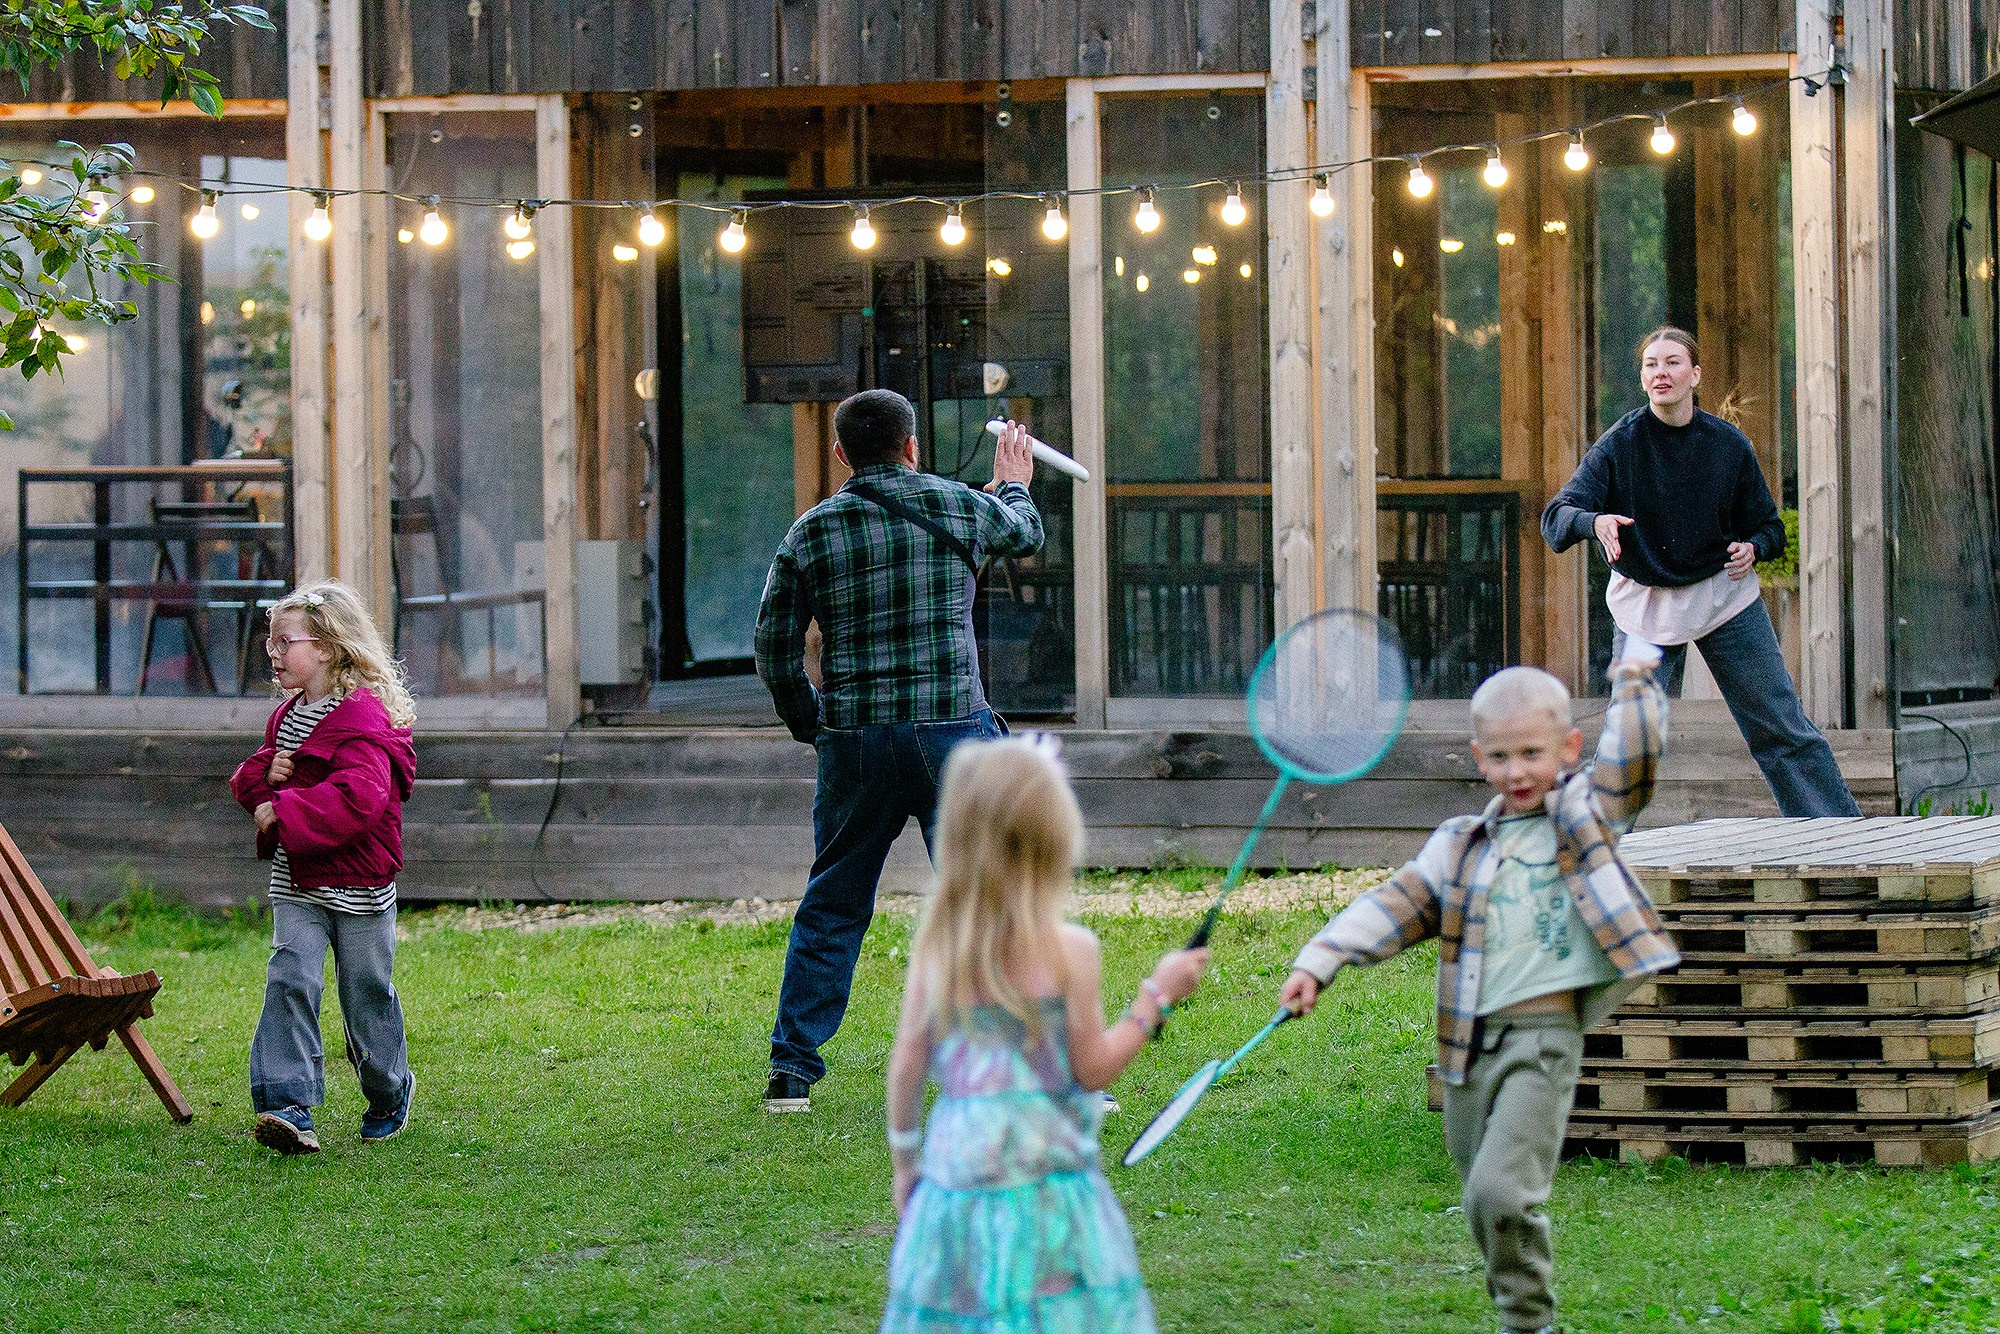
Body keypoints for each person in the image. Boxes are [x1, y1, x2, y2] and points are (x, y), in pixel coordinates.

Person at [1277, 653, 1681, 1334]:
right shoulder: (1460, 845)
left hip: (1543, 1039)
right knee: (1480, 1198)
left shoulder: (1584, 817)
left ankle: (1527, 1323)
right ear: (1478, 757)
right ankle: (1517, 1310)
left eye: (1532, 753)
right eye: (1500, 756)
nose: (1517, 771)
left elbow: (1633, 767)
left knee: (1502, 1192)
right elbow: (1395, 903)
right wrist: (1320, 960)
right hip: (1466, 1048)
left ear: (1567, 749)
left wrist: (1637, 679)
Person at [755, 388, 1044, 1113]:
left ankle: (793, 1070)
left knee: (834, 904)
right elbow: (1025, 533)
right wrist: (1014, 483)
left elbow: (773, 647)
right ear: (913, 446)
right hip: (956, 737)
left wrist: (811, 721)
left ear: (840, 453)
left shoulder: (811, 533)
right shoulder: (956, 505)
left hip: (855, 742)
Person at [880, 737, 1208, 1333]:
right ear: (1056, 842)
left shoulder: (938, 954)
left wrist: (906, 1163)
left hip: (958, 1189)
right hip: (1051, 1194)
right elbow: (1093, 1070)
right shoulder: (1071, 953)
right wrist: (1155, 998)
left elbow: (906, 1067)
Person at [1541, 326, 1860, 818]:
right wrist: (1594, 520)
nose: (1660, 373)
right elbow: (1556, 518)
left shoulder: (1727, 445)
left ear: (1695, 375)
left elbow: (1769, 528)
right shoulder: (1618, 445)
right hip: (1645, 606)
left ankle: (1840, 840)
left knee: (1781, 727)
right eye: (1650, 364)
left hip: (1723, 599)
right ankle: (1590, 852)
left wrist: (1753, 547)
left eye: (1672, 362)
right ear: (1643, 378)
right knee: (1628, 743)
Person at [229, 581, 419, 1155]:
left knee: (366, 992)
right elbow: (262, 772)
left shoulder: (362, 720)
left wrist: (280, 809)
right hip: (297, 880)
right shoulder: (288, 716)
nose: (275, 654)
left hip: (360, 881)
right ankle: (288, 1105)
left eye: (285, 642)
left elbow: (358, 801)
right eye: (271, 644)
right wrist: (266, 781)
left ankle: (389, 1091)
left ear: (330, 647)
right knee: (291, 978)